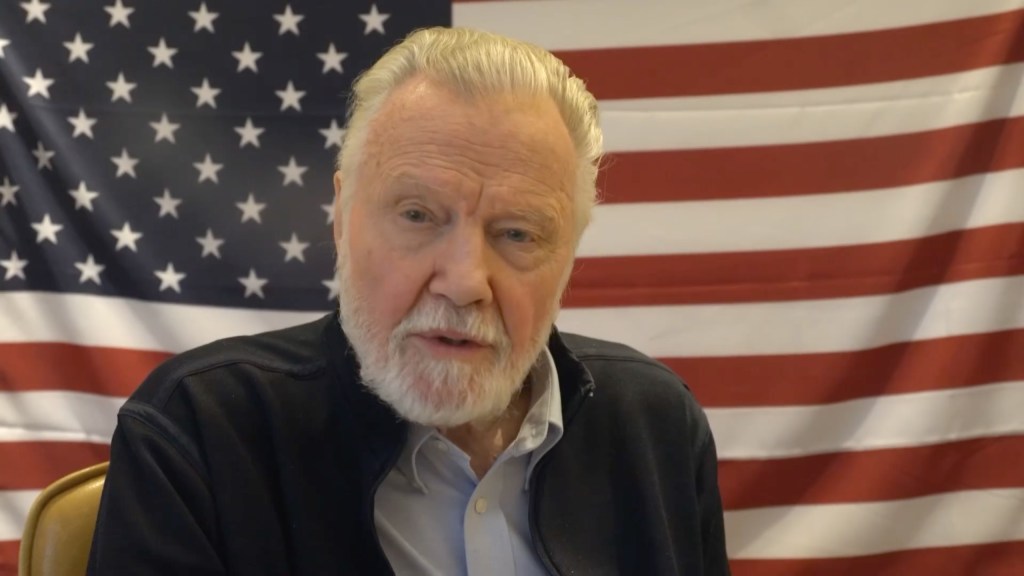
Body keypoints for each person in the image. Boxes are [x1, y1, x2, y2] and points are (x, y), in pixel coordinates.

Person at [87, 27, 730, 575]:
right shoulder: (196, 431)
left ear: (570, 253)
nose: (464, 281)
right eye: (419, 215)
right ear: (342, 215)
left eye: (518, 234)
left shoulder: (657, 426)